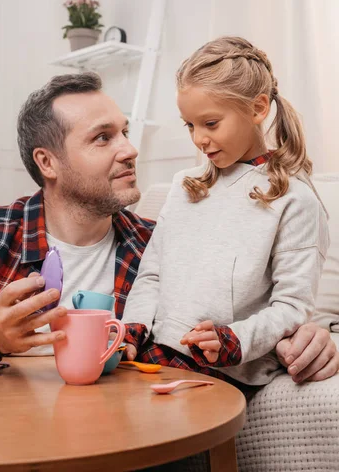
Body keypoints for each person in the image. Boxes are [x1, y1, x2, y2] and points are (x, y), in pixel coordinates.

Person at [0, 72, 337, 385]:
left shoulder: (162, 245)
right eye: (102, 138)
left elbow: (250, 308)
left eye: (125, 132)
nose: (130, 150)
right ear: (48, 163)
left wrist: (314, 337)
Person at [122, 36, 332, 394]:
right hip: (152, 357)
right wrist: (132, 328)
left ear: (257, 108)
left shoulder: (294, 199)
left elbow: (292, 305)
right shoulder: (184, 185)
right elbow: (152, 275)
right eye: (190, 125)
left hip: (223, 370)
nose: (199, 140)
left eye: (211, 123)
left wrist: (234, 339)